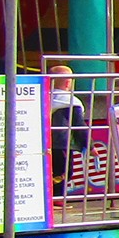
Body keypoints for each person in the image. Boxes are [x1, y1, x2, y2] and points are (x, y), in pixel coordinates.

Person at [48, 65, 88, 193]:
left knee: (49, 169)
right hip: (62, 143)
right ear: (68, 82)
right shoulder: (71, 102)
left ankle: (51, 197)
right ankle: (57, 197)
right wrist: (89, 145)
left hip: (44, 141)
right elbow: (79, 125)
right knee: (64, 171)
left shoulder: (44, 98)